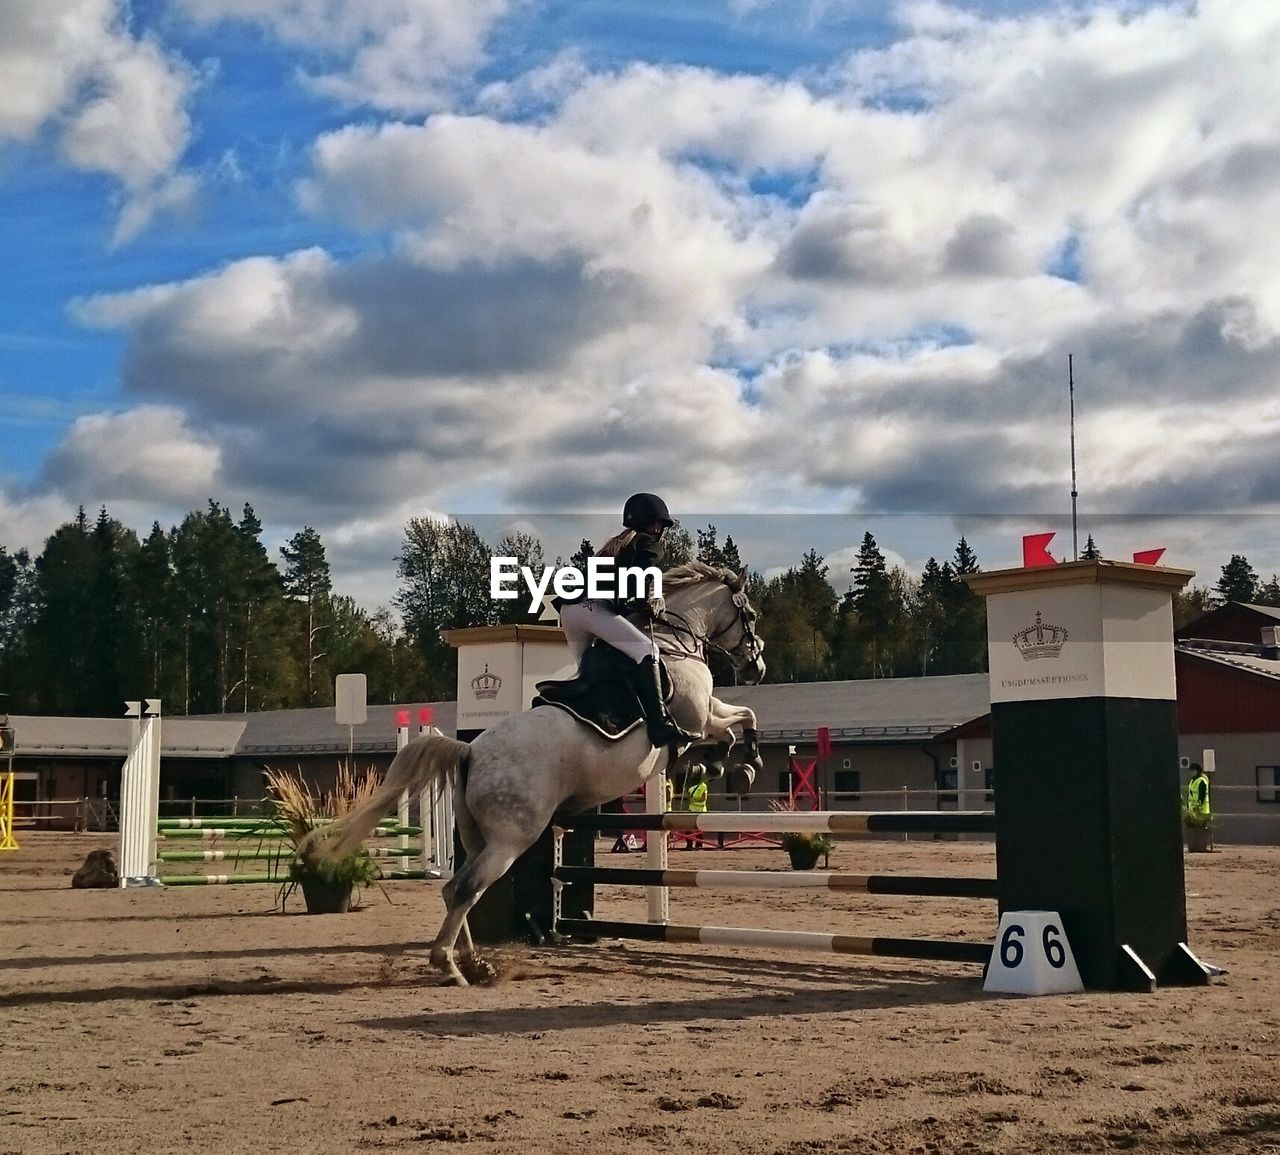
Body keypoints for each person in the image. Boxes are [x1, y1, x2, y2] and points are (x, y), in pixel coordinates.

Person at [557, 492, 694, 748]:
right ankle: (660, 724)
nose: (660, 530)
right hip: (592, 609)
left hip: (569, 610)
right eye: (660, 526)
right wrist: (650, 604)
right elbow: (637, 584)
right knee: (647, 649)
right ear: (655, 526)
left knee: (585, 670)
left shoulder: (613, 545)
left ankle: (594, 719)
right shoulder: (648, 544)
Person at [1186, 761, 1213, 848]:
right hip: (1193, 809)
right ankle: (1196, 846)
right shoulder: (1193, 780)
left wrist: (1199, 805)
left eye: (1192, 771)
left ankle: (1200, 846)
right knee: (1194, 829)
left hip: (1201, 809)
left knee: (1200, 829)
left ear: (1196, 771)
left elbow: (1202, 795)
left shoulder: (1201, 781)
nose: (1190, 773)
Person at [683, 768, 709, 850]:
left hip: (700, 811)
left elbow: (703, 798)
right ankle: (689, 843)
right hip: (691, 810)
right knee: (687, 828)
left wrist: (693, 798)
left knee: (699, 830)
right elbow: (687, 796)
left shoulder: (703, 786)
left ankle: (699, 844)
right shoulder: (691, 786)